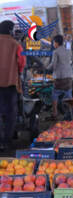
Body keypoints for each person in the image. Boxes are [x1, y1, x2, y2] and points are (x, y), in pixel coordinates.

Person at [0, 20, 25, 150]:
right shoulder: (16, 45)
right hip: (10, 84)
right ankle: (6, 141)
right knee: (10, 113)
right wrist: (17, 72)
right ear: (10, 30)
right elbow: (22, 62)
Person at [47, 35, 73, 120]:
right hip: (69, 76)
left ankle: (55, 113)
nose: (53, 44)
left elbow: (53, 65)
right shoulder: (68, 50)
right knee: (69, 94)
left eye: (54, 42)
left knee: (54, 94)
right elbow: (70, 60)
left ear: (56, 42)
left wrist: (46, 68)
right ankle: (72, 112)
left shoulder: (56, 52)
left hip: (60, 77)